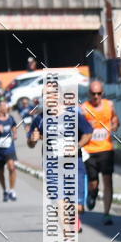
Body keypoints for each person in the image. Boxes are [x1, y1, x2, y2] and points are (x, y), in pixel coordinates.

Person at [28, 97, 93, 233]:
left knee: (77, 207)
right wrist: (33, 140)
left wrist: (77, 146)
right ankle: (67, 238)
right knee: (59, 202)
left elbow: (88, 132)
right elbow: (31, 142)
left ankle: (74, 216)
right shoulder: (39, 119)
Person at [81, 80, 120, 226]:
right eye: (93, 93)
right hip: (89, 150)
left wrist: (115, 124)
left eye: (98, 93)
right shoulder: (84, 108)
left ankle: (106, 213)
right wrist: (86, 126)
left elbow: (115, 119)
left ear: (102, 93)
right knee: (93, 182)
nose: (96, 96)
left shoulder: (109, 105)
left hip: (106, 149)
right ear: (89, 93)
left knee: (108, 181)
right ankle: (93, 192)